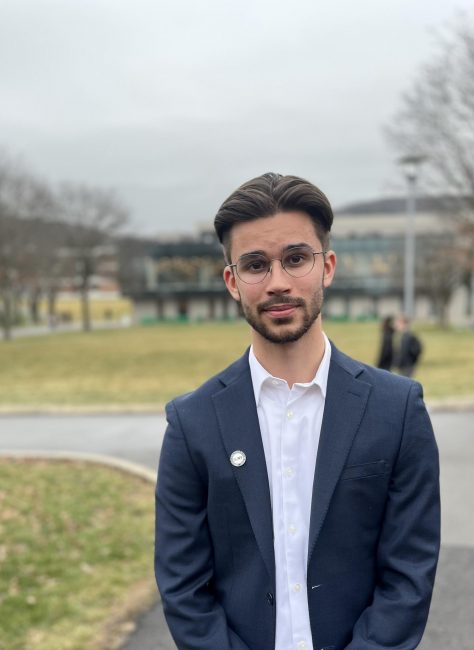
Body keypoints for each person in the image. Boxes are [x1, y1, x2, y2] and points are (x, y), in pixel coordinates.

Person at [154, 172, 440, 650]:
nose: (278, 283)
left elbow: (409, 577)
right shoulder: (191, 423)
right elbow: (184, 589)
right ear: (232, 281)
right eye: (255, 265)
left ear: (327, 266)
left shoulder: (398, 410)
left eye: (295, 259)